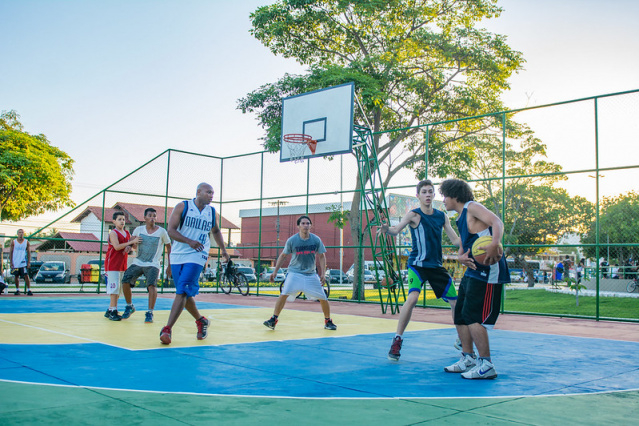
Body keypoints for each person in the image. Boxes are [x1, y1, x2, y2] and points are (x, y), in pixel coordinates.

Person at [378, 179, 461, 361]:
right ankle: (397, 339)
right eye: (424, 192)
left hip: (436, 267)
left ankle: (461, 338)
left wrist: (470, 243)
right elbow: (396, 230)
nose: (428, 195)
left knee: (455, 301)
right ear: (418, 196)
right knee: (413, 298)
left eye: (431, 191)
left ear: (434, 195)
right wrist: (387, 229)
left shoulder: (442, 216)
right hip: (417, 265)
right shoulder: (413, 215)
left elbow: (455, 240)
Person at [439, 179, 510, 380]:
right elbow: (464, 244)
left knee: (473, 316)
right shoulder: (461, 217)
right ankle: (468, 358)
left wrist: (495, 243)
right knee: (461, 314)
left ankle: (486, 363)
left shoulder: (472, 207)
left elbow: (497, 222)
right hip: (472, 270)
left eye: (445, 196)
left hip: (488, 270)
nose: (443, 200)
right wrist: (460, 256)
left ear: (454, 195)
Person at [160, 183, 229, 345]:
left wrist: (224, 250)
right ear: (198, 192)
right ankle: (201, 320)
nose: (211, 195)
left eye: (213, 193)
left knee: (183, 290)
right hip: (178, 254)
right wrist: (188, 241)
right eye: (208, 192)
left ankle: (167, 329)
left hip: (198, 254)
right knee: (184, 292)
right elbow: (171, 230)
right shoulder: (182, 207)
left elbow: (216, 231)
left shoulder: (211, 212)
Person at [263, 215, 337, 331]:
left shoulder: (316, 240)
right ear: (298, 226)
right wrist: (275, 271)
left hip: (311, 274)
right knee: (284, 294)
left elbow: (322, 256)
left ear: (311, 226)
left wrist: (323, 273)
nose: (306, 225)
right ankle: (273, 320)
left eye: (308, 223)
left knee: (323, 297)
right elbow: (283, 255)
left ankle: (328, 321)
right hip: (294, 273)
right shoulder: (292, 240)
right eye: (303, 223)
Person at [121, 208, 172, 323]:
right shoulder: (138, 230)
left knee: (151, 286)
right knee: (125, 280)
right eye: (150, 215)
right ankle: (129, 306)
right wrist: (130, 246)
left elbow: (169, 247)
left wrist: (170, 265)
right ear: (144, 218)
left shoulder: (162, 232)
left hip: (153, 264)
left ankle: (149, 312)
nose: (152, 218)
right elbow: (132, 246)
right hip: (138, 262)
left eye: (154, 216)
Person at [104, 211, 139, 320]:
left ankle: (110, 309)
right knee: (114, 288)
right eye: (119, 219)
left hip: (122, 264)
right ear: (114, 221)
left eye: (123, 219)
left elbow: (130, 248)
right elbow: (117, 247)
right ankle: (113, 311)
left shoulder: (127, 233)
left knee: (118, 289)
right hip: (112, 264)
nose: (122, 221)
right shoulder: (113, 233)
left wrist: (130, 247)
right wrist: (129, 244)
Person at [9, 229, 32, 296]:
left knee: (26, 275)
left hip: (23, 262)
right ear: (17, 234)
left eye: (22, 232)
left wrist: (28, 262)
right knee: (16, 276)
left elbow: (29, 253)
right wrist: (11, 262)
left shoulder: (26, 242)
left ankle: (28, 290)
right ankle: (17, 290)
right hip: (15, 262)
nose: (21, 234)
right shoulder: (13, 242)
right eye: (19, 232)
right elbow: (11, 252)